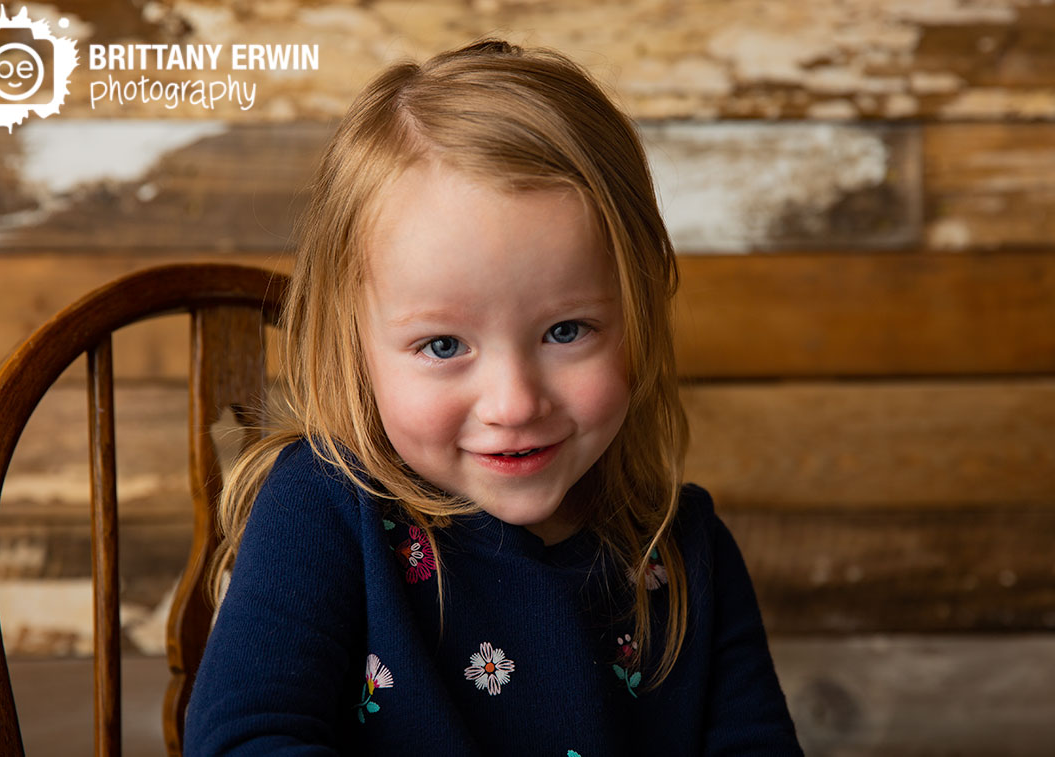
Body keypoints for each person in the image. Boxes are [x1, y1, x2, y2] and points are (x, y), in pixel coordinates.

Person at [184, 39, 802, 755]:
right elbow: (247, 740)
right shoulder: (324, 508)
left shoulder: (685, 553)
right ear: (352, 343)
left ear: (638, 320)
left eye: (566, 330)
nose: (513, 403)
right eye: (444, 346)